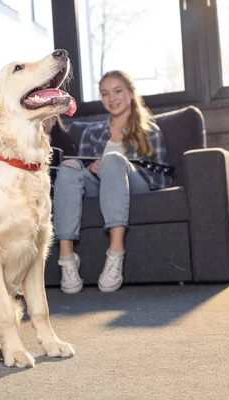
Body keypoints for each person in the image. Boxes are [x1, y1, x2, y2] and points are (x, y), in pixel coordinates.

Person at [53, 70, 172, 294]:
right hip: (99, 186)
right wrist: (91, 169)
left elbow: (162, 180)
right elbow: (82, 169)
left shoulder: (149, 131)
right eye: (105, 93)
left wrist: (125, 168)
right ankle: (67, 258)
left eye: (118, 91)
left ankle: (115, 255)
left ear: (131, 93)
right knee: (68, 168)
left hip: (135, 185)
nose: (112, 98)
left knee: (114, 160)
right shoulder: (91, 132)